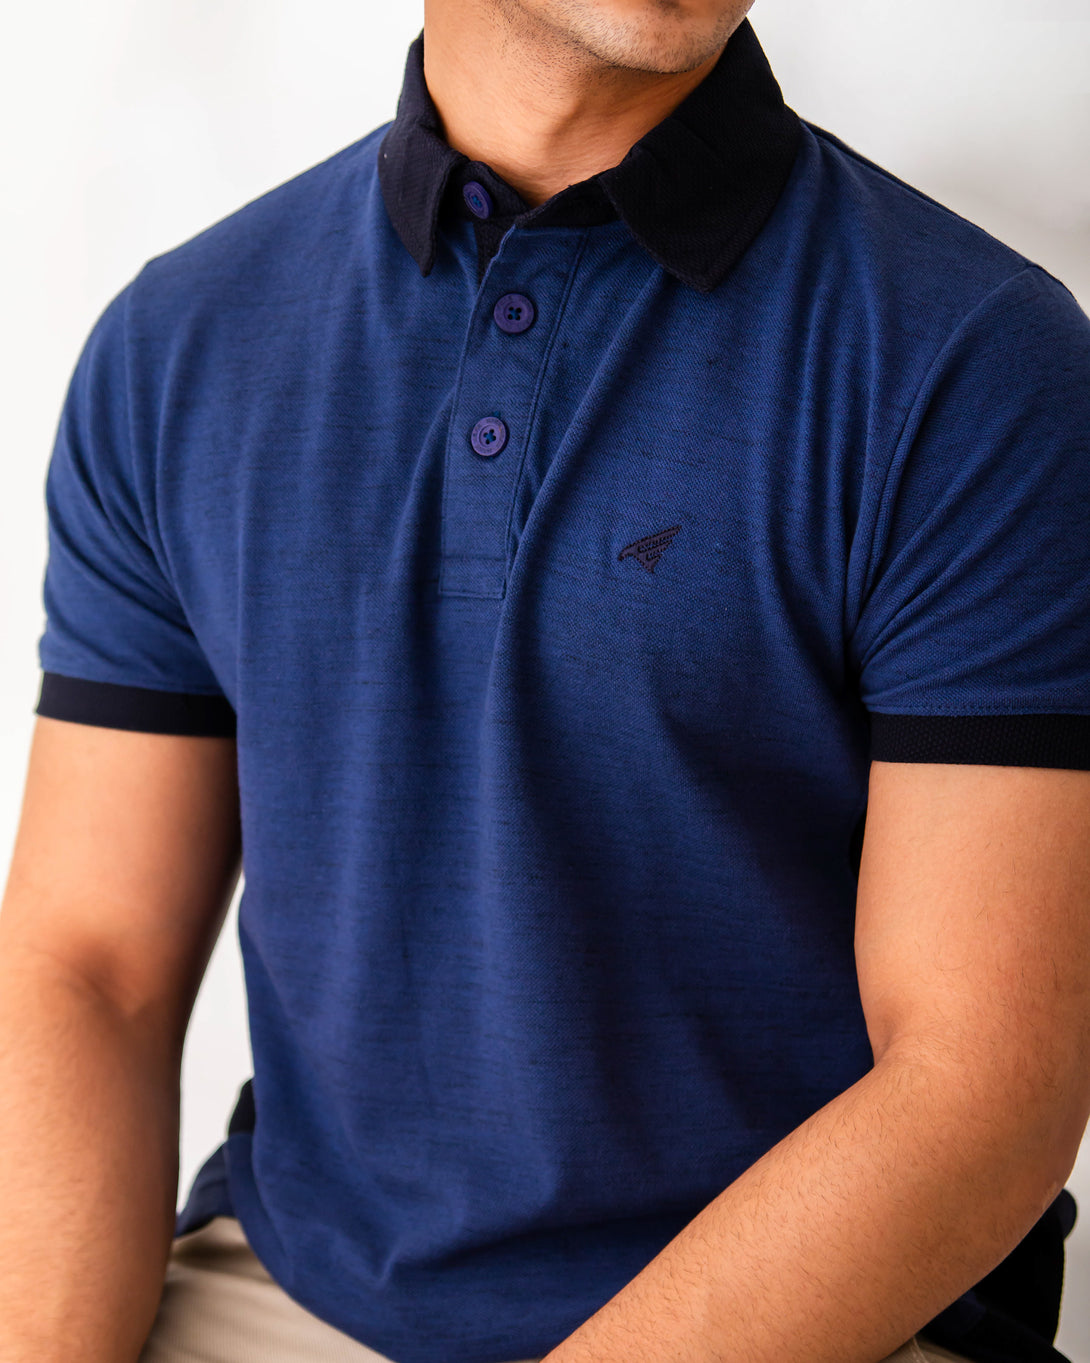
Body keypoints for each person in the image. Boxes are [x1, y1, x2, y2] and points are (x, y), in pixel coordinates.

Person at [1, 0, 1089, 1360]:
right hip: (297, 1295)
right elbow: (90, 965)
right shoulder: (179, 344)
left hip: (808, 1322)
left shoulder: (974, 358)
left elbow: (980, 1087)